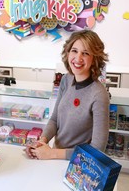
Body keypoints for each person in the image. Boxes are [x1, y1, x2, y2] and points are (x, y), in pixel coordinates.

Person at [26, 29, 110, 160]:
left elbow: (97, 149)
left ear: (94, 59)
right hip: (54, 157)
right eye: (74, 51)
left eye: (86, 53)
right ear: (68, 52)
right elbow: (55, 119)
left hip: (78, 165)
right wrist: (42, 141)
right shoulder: (66, 79)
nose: (78, 58)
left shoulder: (99, 94)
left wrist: (52, 153)